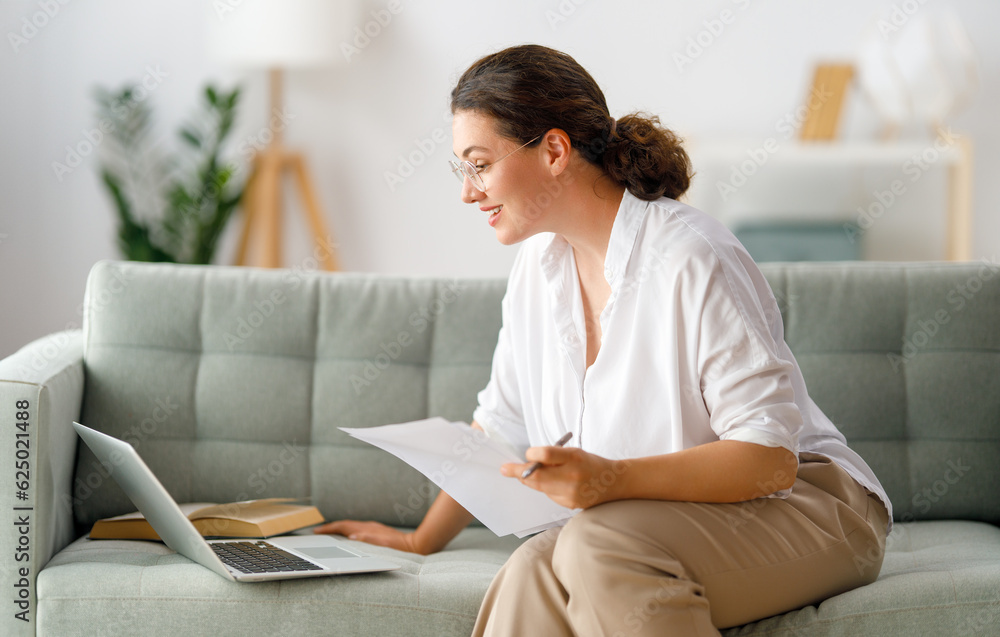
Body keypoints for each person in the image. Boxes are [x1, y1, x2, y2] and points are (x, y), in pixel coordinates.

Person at [315, 44, 892, 636]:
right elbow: (500, 431)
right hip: (669, 523)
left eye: (479, 164)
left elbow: (769, 461)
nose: (468, 191)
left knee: (591, 544)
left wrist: (610, 480)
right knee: (531, 570)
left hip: (812, 507)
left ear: (555, 151)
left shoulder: (691, 256)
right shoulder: (537, 269)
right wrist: (418, 539)